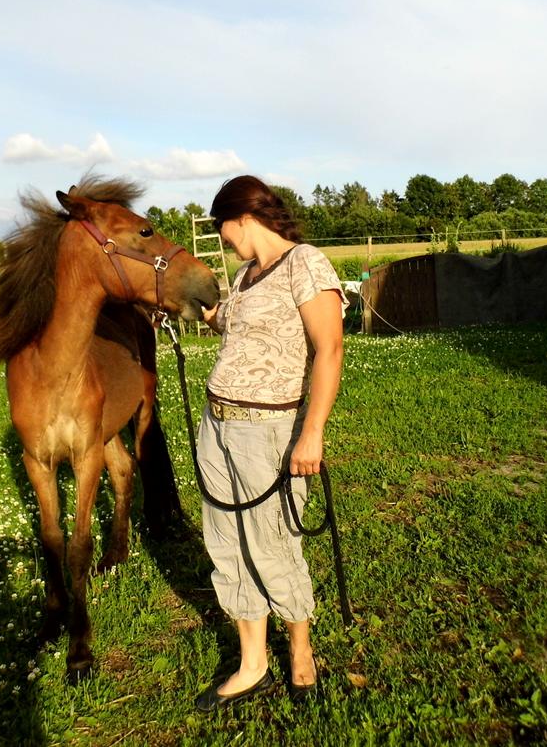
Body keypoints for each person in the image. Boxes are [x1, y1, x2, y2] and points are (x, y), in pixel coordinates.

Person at [193, 175, 347, 711]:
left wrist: (312, 432)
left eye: (222, 229)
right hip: (215, 426)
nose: (224, 240)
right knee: (228, 545)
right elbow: (237, 332)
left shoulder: (306, 264)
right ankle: (252, 662)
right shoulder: (244, 275)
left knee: (274, 542)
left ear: (240, 218)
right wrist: (207, 316)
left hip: (269, 431)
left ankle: (300, 652)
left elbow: (329, 351)